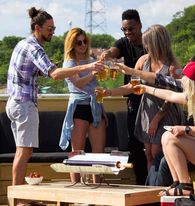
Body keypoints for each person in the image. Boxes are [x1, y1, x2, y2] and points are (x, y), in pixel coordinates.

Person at [5, 7, 104, 200]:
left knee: (22, 151)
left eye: (54, 27)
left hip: (15, 103)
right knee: (24, 153)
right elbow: (54, 74)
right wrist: (89, 66)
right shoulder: (34, 47)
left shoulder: (22, 43)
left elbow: (44, 70)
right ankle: (18, 199)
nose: (53, 31)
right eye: (49, 28)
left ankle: (17, 198)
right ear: (37, 28)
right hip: (24, 104)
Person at [133, 61, 195, 196]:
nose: (181, 79)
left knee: (170, 137)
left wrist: (186, 129)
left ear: (190, 80)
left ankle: (185, 185)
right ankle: (177, 183)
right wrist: (145, 88)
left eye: (183, 76)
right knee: (166, 135)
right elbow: (170, 95)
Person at [100, 9, 148, 185]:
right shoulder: (123, 43)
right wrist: (107, 54)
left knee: (153, 144)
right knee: (134, 143)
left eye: (131, 29)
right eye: (124, 30)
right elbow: (114, 50)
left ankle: (156, 183)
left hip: (153, 97)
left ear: (140, 25)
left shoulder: (150, 43)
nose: (128, 33)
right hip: (133, 97)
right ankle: (141, 182)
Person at [132, 24, 184, 171]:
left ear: (157, 43)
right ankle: (152, 188)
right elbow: (132, 84)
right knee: (148, 154)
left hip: (165, 112)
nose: (145, 46)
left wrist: (157, 117)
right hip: (147, 110)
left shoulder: (173, 66)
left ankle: (163, 186)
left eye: (148, 42)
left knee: (157, 154)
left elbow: (176, 94)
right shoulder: (143, 61)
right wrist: (109, 92)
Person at [59, 27, 107, 184]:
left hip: (95, 106)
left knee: (98, 153)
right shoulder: (69, 63)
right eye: (78, 42)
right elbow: (78, 83)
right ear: (72, 44)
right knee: (77, 153)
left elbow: (97, 85)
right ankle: (75, 189)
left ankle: (98, 191)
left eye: (85, 41)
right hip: (79, 106)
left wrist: (103, 110)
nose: (83, 45)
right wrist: (93, 72)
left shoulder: (92, 61)